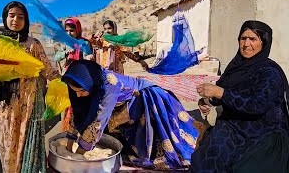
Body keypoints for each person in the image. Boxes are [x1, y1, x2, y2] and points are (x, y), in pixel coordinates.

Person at [60, 60, 202, 170]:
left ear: (88, 83)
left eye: (81, 91)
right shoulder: (88, 83)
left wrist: (77, 157)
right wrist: (68, 146)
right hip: (129, 102)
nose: (78, 96)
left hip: (146, 97)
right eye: (75, 91)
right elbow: (78, 113)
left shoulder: (110, 84)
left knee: (158, 144)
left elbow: (99, 122)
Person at [192, 20, 289, 172]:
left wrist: (220, 92)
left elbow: (256, 105)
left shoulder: (270, 72)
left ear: (263, 43)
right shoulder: (236, 67)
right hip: (233, 127)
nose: (246, 44)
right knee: (209, 155)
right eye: (243, 38)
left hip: (263, 133)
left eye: (253, 39)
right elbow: (221, 94)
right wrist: (207, 101)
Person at [0, 1, 60, 173]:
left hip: (29, 104)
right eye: (11, 15)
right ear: (5, 18)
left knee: (28, 144)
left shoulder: (33, 44)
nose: (15, 20)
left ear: (26, 20)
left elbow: (47, 71)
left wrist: (69, 81)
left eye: (21, 17)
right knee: (7, 145)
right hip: (5, 103)